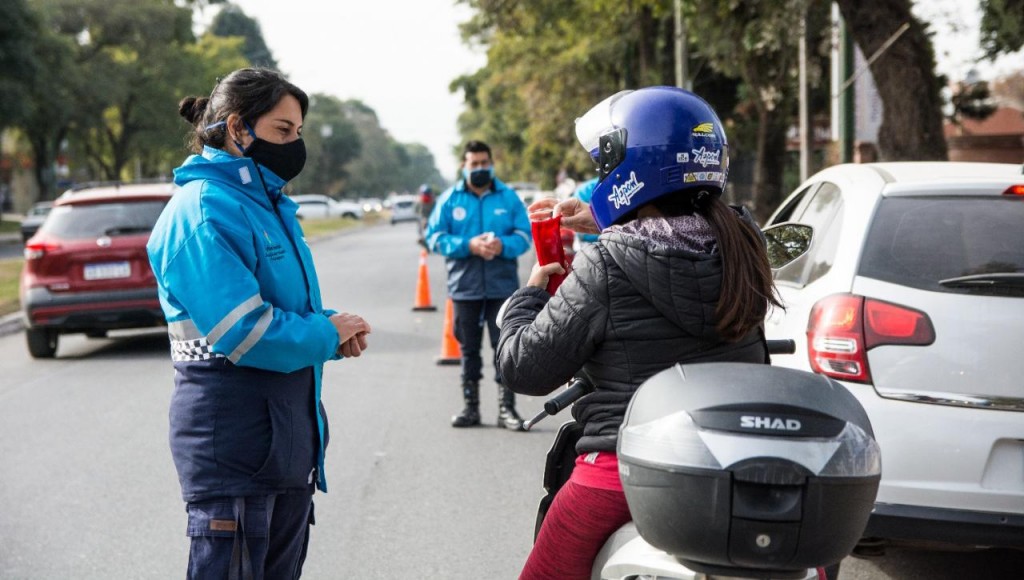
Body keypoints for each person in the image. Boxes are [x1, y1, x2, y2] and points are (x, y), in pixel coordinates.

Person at [496, 86, 783, 579]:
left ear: (628, 168)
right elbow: (675, 235)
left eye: (604, 167)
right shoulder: (747, 245)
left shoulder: (606, 263)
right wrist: (603, 217)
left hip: (625, 470)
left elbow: (523, 369)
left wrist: (528, 298)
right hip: (740, 460)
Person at [147, 67, 371, 579]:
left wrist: (331, 330)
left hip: (281, 444)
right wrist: (324, 334)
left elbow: (276, 307)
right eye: (282, 130)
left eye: (298, 131)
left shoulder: (265, 204)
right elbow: (245, 332)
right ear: (236, 127)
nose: (295, 145)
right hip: (235, 447)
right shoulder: (203, 210)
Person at [424, 141, 533, 430]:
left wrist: (502, 245)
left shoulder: (508, 197)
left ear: (492, 164)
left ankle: (507, 409)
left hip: (502, 288)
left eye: (484, 163)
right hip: (464, 288)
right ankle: (470, 408)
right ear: (464, 166)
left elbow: (525, 235)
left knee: (505, 349)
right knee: (468, 350)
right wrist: (468, 245)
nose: (480, 168)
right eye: (474, 164)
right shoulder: (450, 200)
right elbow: (434, 238)